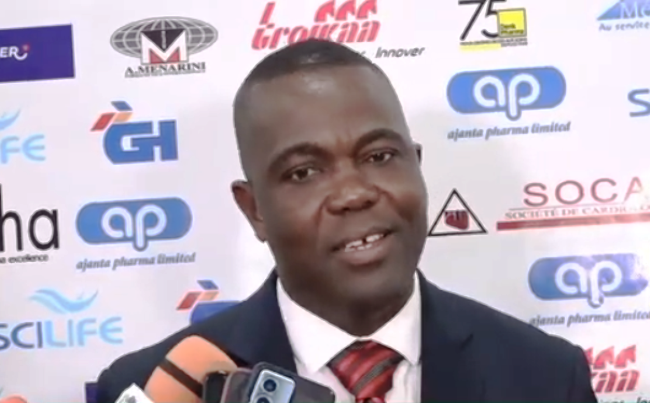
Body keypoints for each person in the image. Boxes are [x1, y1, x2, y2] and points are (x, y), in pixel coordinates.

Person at [95, 39, 597, 403]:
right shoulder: (156, 388)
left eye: (379, 156)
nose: (354, 193)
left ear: (417, 166)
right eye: (303, 172)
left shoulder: (546, 377)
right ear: (254, 210)